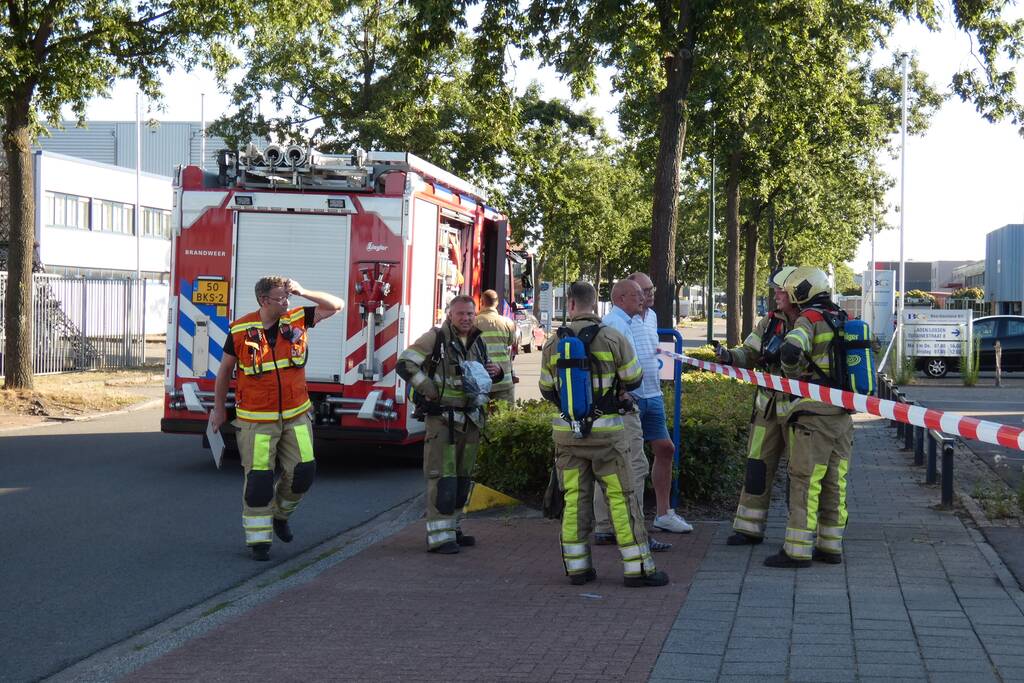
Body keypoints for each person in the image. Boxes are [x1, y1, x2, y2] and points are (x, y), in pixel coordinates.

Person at [540, 281, 669, 587]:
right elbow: (634, 378)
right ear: (595, 303)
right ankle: (637, 569)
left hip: (568, 437)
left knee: (574, 500)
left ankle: (578, 569)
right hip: (607, 437)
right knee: (621, 499)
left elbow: (546, 388)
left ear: (570, 304)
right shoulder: (612, 337)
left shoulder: (553, 343)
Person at [211, 276, 344, 561]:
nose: (286, 302)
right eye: (280, 298)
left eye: (287, 297)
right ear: (263, 301)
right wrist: (218, 409)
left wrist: (303, 291)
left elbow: (337, 305)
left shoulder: (297, 318)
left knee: (304, 472)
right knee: (259, 480)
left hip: (296, 416)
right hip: (257, 420)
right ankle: (259, 541)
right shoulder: (240, 330)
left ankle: (280, 516)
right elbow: (224, 372)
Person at [396, 295, 502, 554]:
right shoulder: (435, 338)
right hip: (443, 421)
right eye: (460, 313)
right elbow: (405, 363)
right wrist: (428, 388)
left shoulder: (478, 341)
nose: (466, 318)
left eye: (470, 314)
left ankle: (453, 528)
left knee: (462, 480)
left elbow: (485, 375)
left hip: (470, 420)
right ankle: (440, 538)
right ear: (450, 315)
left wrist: (496, 372)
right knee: (443, 478)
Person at [764, 266, 854, 568]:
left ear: (802, 292)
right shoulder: (841, 316)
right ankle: (830, 546)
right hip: (842, 413)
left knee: (805, 480)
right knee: (835, 482)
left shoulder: (809, 318)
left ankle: (797, 550)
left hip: (814, 414)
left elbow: (791, 350)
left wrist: (791, 378)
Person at [715, 266, 798, 545]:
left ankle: (801, 529)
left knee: (800, 472)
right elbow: (749, 351)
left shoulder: (811, 322)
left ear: (796, 292)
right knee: (756, 466)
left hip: (801, 413)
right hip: (767, 410)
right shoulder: (770, 322)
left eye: (780, 290)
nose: (776, 295)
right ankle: (748, 528)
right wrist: (729, 356)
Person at [592, 279, 672, 552]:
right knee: (635, 466)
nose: (643, 298)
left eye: (646, 292)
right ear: (621, 298)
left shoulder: (620, 322)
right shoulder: (617, 326)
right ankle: (634, 530)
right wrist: (627, 392)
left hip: (623, 402)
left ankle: (605, 526)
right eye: (638, 293)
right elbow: (623, 369)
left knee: (609, 463)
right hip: (625, 405)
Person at [627, 272, 693, 534]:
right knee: (628, 458)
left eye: (651, 288)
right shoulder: (623, 319)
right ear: (632, 294)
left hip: (653, 395)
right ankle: (627, 519)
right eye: (645, 290)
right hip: (632, 396)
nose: (650, 294)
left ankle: (663, 514)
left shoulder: (652, 316)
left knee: (666, 448)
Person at [474, 289, 518, 404]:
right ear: (497, 303)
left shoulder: (474, 322)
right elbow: (511, 342)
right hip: (504, 381)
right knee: (504, 414)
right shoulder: (507, 322)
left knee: (481, 414)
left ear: (481, 302)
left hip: (480, 380)